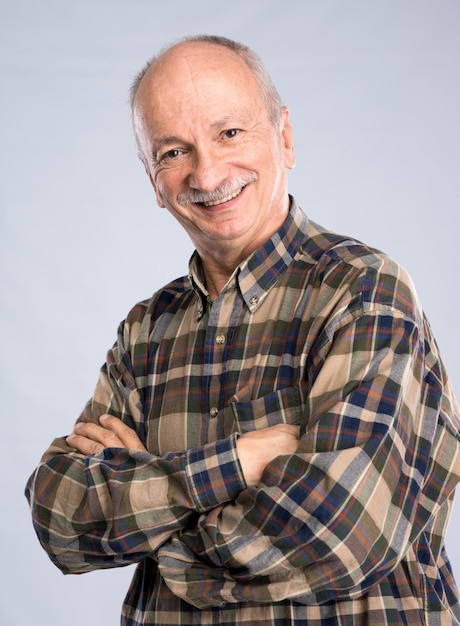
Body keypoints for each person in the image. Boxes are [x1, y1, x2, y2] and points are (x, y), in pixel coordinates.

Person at [25, 34, 460, 626]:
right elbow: (60, 514)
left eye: (229, 133)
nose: (207, 171)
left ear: (283, 136)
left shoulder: (363, 292)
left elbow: (336, 531)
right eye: (174, 151)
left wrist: (153, 525)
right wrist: (243, 461)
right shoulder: (145, 332)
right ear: (153, 179)